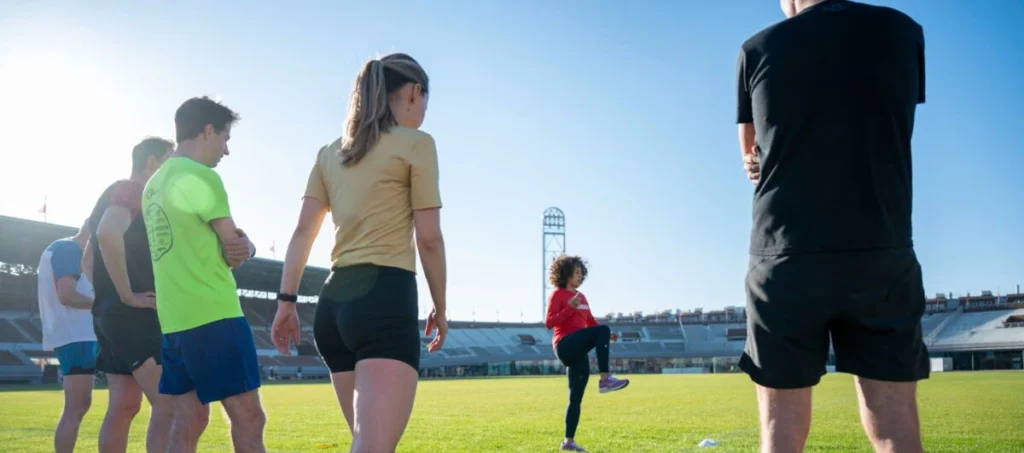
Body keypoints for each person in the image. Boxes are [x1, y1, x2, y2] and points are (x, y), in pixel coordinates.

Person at [735, 1, 928, 452]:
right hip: (881, 242)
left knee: (780, 431)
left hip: (785, 251)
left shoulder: (758, 47)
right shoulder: (903, 32)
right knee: (896, 431)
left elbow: (751, 157)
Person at [270, 52, 447, 453]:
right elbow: (430, 238)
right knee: (373, 446)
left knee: (366, 442)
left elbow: (302, 232)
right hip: (385, 298)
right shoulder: (417, 144)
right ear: (415, 92)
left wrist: (286, 302)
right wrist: (440, 305)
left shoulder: (330, 152)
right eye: (424, 104)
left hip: (332, 307)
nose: (422, 115)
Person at [142, 96, 263, 453]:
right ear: (208, 131)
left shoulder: (154, 185)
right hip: (213, 314)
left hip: (175, 321)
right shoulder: (200, 176)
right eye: (226, 139)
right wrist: (249, 246)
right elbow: (235, 249)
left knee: (190, 419)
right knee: (249, 417)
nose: (226, 151)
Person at [89, 136, 175, 453]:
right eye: (170, 158)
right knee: (169, 405)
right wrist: (125, 295)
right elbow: (107, 233)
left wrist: (107, 298)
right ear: (152, 162)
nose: (175, 166)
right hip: (133, 316)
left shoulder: (110, 193)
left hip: (109, 316)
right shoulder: (134, 191)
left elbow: (86, 256)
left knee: (124, 405)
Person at [544, 255, 629, 452]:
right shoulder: (558, 295)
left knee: (576, 398)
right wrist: (568, 309)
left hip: (578, 350)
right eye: (576, 272)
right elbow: (549, 323)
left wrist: (607, 336)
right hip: (564, 345)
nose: (580, 276)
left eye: (582, 273)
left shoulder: (582, 298)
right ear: (565, 273)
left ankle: (568, 442)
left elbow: (591, 324)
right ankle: (606, 378)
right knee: (602, 330)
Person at [37, 219, 97, 453]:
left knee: (79, 404)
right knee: (77, 405)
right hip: (76, 334)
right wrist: (105, 305)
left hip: (77, 334)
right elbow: (68, 295)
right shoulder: (69, 249)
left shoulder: (66, 249)